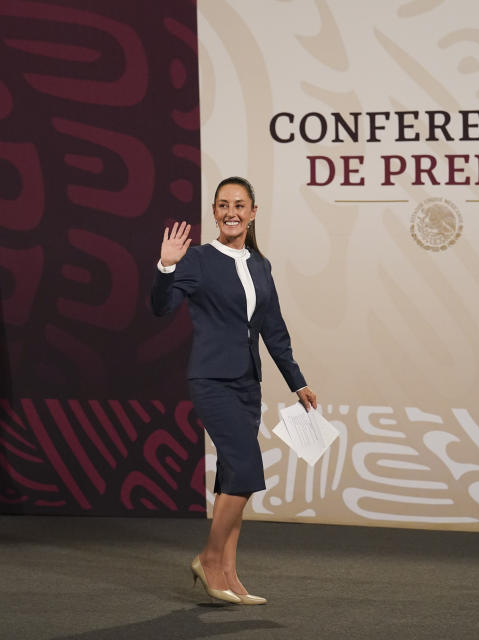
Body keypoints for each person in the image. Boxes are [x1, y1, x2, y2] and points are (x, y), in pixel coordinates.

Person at [150, 176, 317, 605]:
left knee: (230, 478)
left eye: (240, 205)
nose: (231, 212)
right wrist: (167, 267)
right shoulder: (199, 259)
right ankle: (207, 559)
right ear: (214, 212)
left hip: (247, 384)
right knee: (245, 470)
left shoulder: (260, 265)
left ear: (253, 212)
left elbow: (274, 331)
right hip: (211, 379)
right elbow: (161, 308)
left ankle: (228, 575)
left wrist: (297, 381)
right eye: (223, 205)